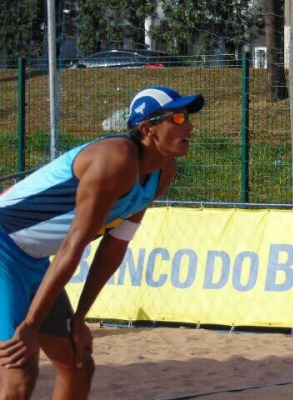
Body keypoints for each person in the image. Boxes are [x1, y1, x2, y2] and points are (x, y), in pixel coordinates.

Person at [0, 85, 204, 399]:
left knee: (79, 364)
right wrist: (29, 325)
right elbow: (73, 247)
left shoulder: (162, 172)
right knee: (20, 369)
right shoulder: (116, 159)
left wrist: (80, 318)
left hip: (33, 260)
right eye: (177, 117)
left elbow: (114, 248)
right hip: (3, 247)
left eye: (187, 116)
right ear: (147, 128)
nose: (188, 125)